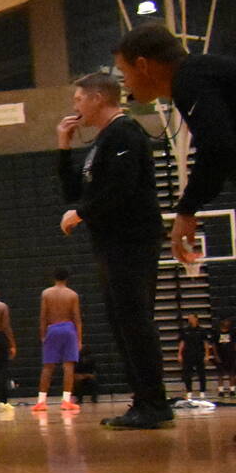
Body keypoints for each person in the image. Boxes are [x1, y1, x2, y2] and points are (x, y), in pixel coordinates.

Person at [58, 69, 171, 428]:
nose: (75, 105)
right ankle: (143, 401)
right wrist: (64, 144)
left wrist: (81, 214)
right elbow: (75, 191)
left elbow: (121, 188)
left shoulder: (124, 133)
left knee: (135, 321)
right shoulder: (102, 142)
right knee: (122, 322)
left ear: (97, 98)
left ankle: (154, 404)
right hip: (111, 243)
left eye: (78, 98)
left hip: (131, 240)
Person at [111, 23, 236, 265]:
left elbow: (216, 147)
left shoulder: (191, 81)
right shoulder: (199, 76)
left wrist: (187, 209)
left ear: (143, 65)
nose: (125, 83)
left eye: (123, 72)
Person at [32, 269, 82, 412]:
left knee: (48, 366)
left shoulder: (46, 293)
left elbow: (43, 316)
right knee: (68, 366)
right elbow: (77, 318)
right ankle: (66, 401)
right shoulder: (73, 294)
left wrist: (43, 334)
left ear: (53, 277)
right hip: (69, 328)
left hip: (52, 328)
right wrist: (79, 339)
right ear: (67, 278)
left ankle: (41, 402)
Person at [177, 314, 211, 406]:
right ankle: (189, 392)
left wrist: (207, 355)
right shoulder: (185, 330)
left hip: (199, 354)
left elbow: (205, 343)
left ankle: (202, 393)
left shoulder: (202, 330)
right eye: (189, 319)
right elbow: (182, 342)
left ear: (196, 319)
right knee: (187, 374)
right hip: (188, 355)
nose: (190, 320)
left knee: (201, 374)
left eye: (191, 318)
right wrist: (179, 354)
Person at [216, 316, 236, 400]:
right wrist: (216, 355)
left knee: (232, 373)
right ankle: (221, 390)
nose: (227, 323)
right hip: (221, 355)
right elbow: (214, 344)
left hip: (231, 355)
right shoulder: (217, 333)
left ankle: (232, 390)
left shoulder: (232, 332)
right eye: (226, 321)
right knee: (221, 374)